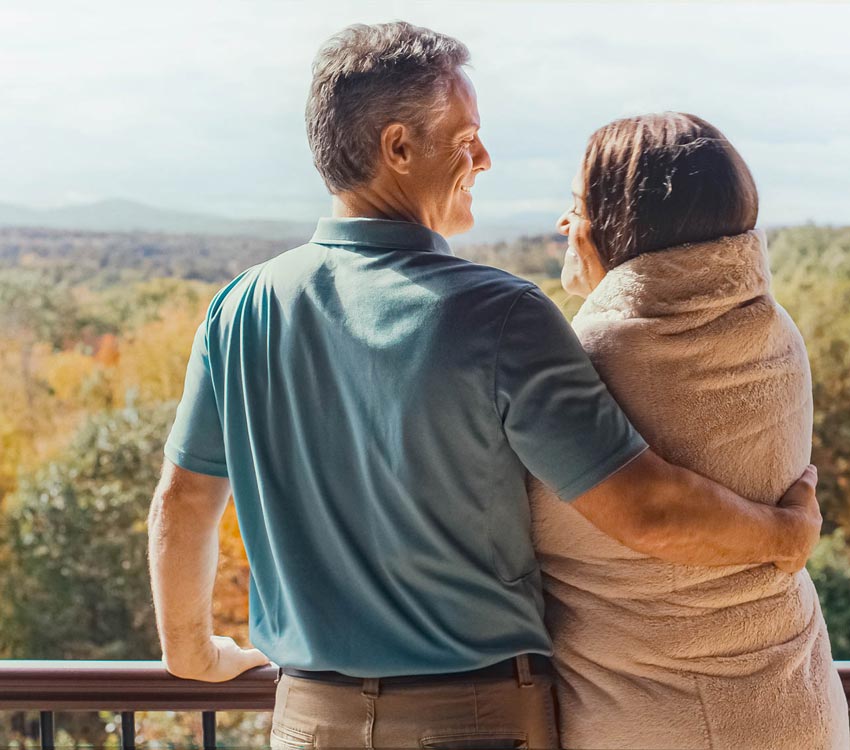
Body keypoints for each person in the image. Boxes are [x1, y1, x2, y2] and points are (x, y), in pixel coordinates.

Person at [147, 24, 821, 748]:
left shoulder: (240, 309)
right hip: (475, 720)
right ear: (398, 148)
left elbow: (183, 501)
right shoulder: (500, 315)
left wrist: (193, 653)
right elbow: (645, 509)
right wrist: (784, 534)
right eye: (467, 139)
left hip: (308, 721)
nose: (485, 158)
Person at [530, 112, 849, 749]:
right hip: (801, 704)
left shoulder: (583, 364)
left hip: (662, 720)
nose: (566, 224)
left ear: (622, 222)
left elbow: (642, 513)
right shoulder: (777, 336)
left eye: (579, 206)